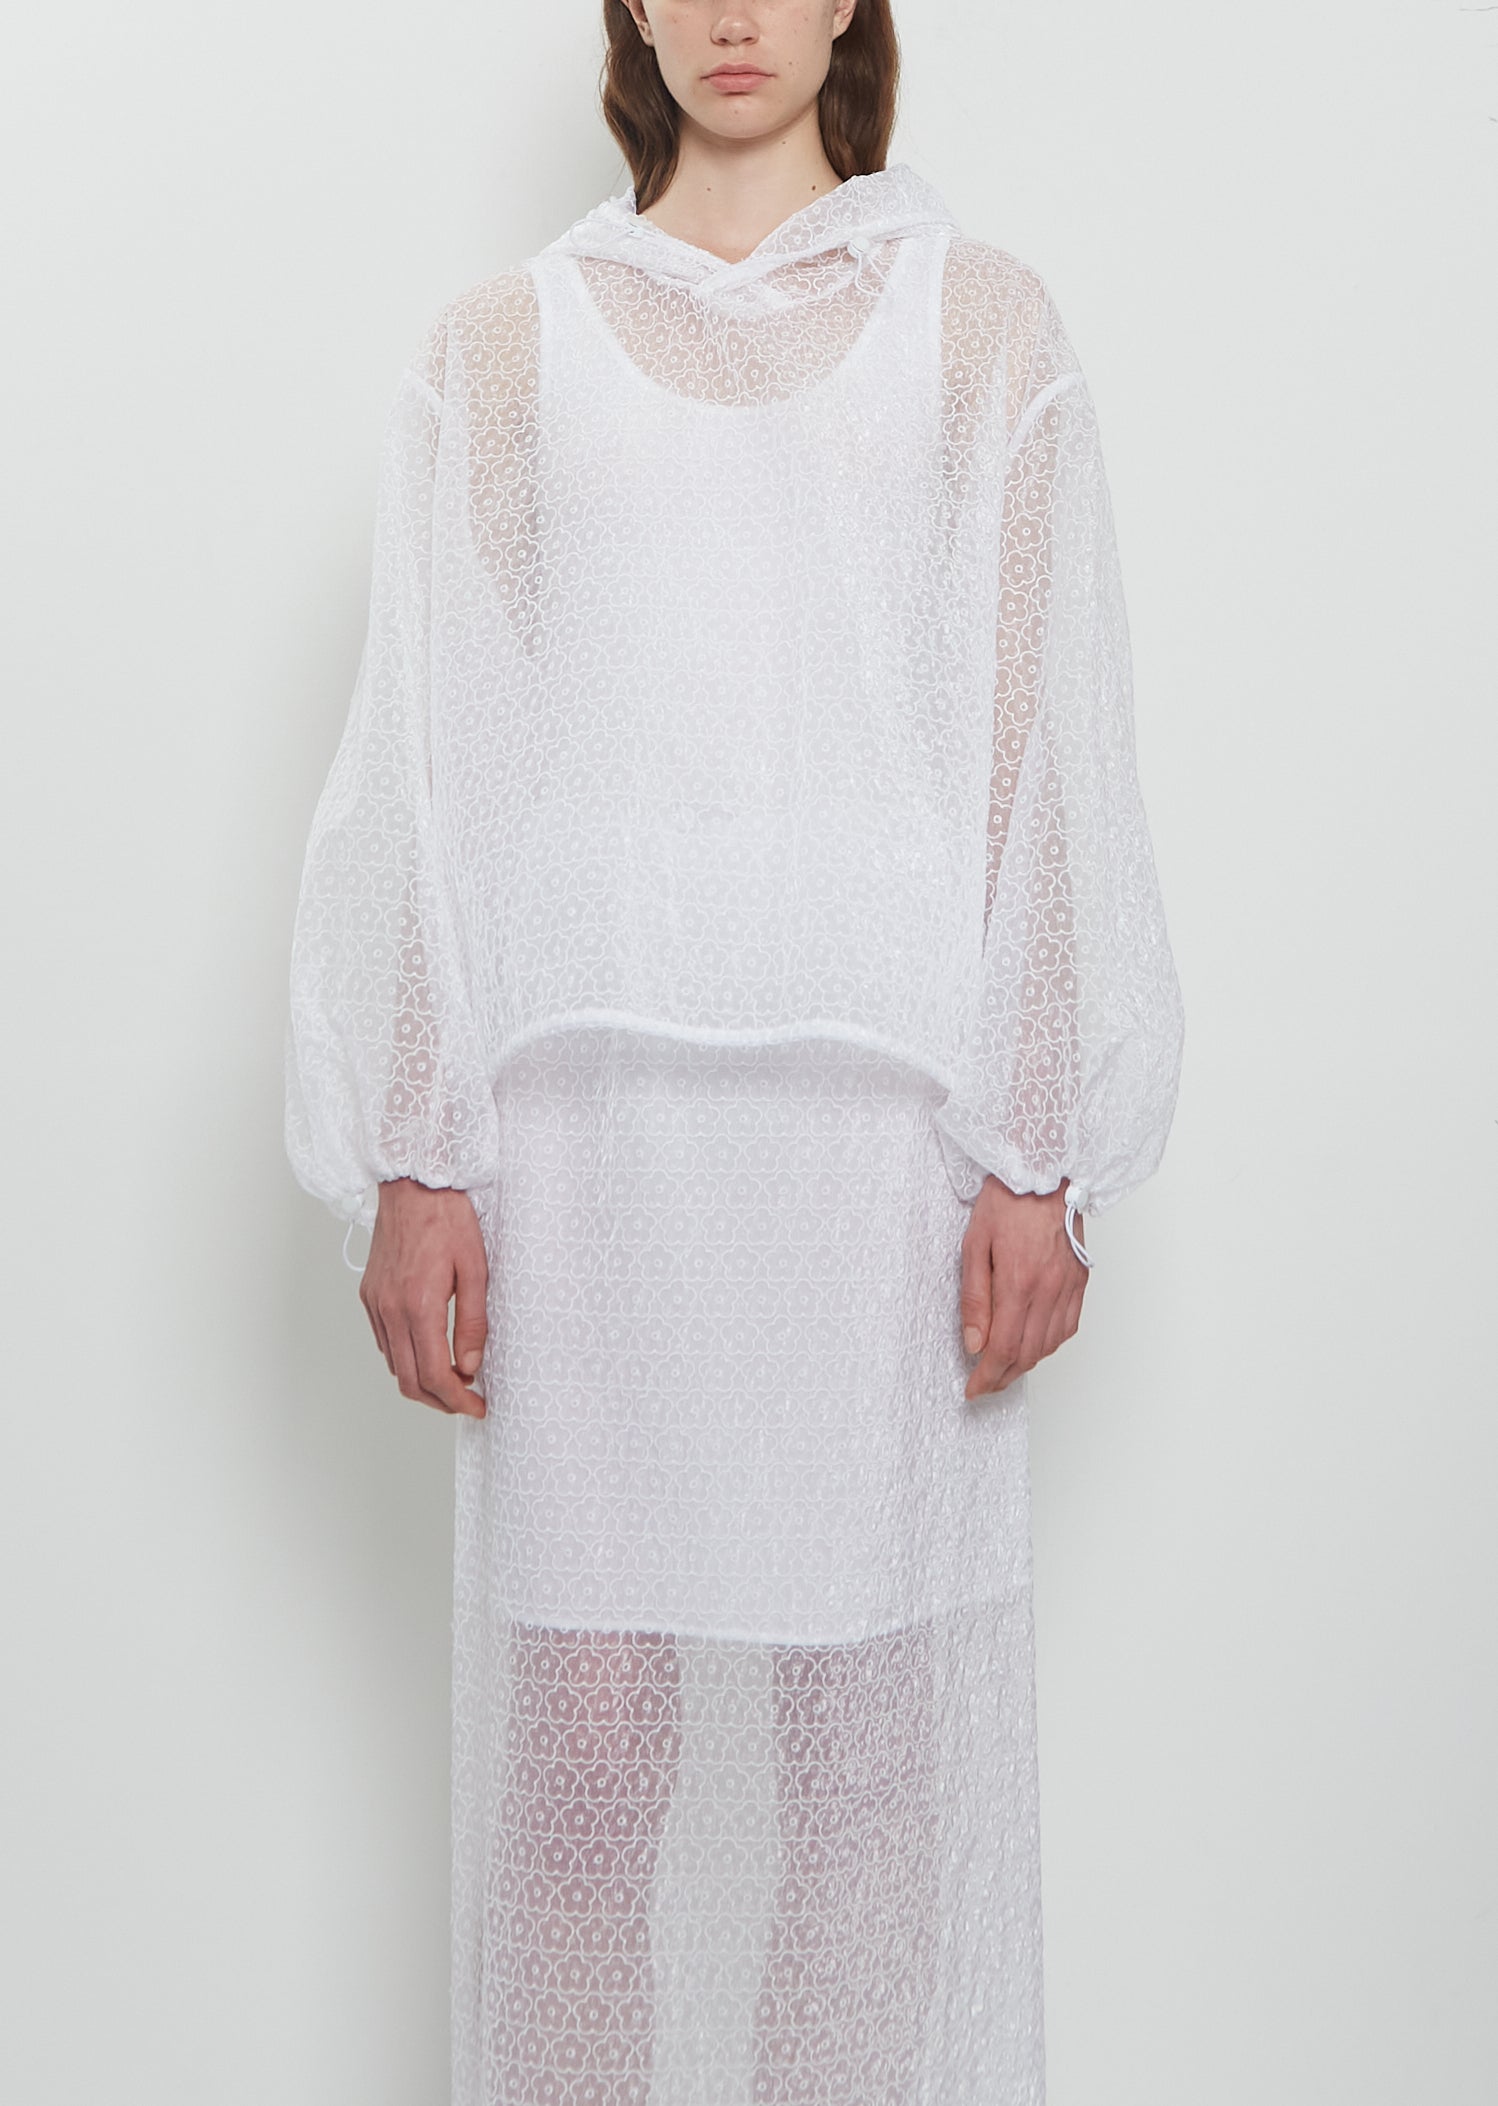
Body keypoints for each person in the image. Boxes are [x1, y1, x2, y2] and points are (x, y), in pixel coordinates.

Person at [285, 1, 1184, 2098]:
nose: (733, 12)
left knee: (860, 1760)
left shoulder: (979, 325)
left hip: (876, 1143)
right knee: (582, 1752)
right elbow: (430, 772)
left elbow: (1039, 746)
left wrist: (1038, 1141)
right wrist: (413, 1145)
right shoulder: (503, 348)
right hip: (585, 1133)